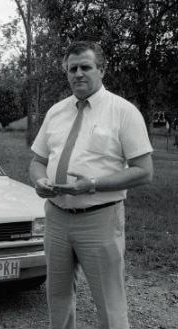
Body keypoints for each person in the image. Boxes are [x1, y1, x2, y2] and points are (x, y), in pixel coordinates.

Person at [29, 41, 153, 329]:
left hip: (100, 218)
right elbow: (36, 161)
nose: (78, 74)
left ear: (102, 69)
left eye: (85, 67)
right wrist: (39, 181)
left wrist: (93, 184)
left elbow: (144, 171)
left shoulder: (123, 112)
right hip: (57, 217)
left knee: (109, 302)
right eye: (72, 68)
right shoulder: (56, 112)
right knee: (57, 297)